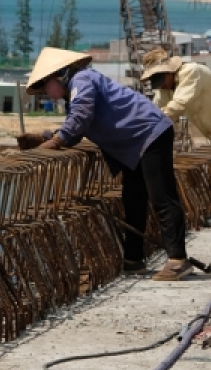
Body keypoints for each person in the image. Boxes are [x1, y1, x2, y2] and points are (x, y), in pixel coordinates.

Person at [27, 47, 192, 281]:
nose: (45, 91)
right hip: (133, 143)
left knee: (162, 197)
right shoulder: (75, 91)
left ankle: (178, 260)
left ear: (59, 75)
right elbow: (77, 125)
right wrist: (54, 135)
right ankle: (133, 259)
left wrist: (57, 140)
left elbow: (81, 115)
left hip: (149, 133)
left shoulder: (81, 80)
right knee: (133, 199)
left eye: (45, 85)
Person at [141, 48, 211, 228]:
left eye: (161, 79)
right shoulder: (166, 87)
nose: (161, 85)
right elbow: (158, 109)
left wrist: (154, 122)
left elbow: (178, 105)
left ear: (169, 71)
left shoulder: (191, 72)